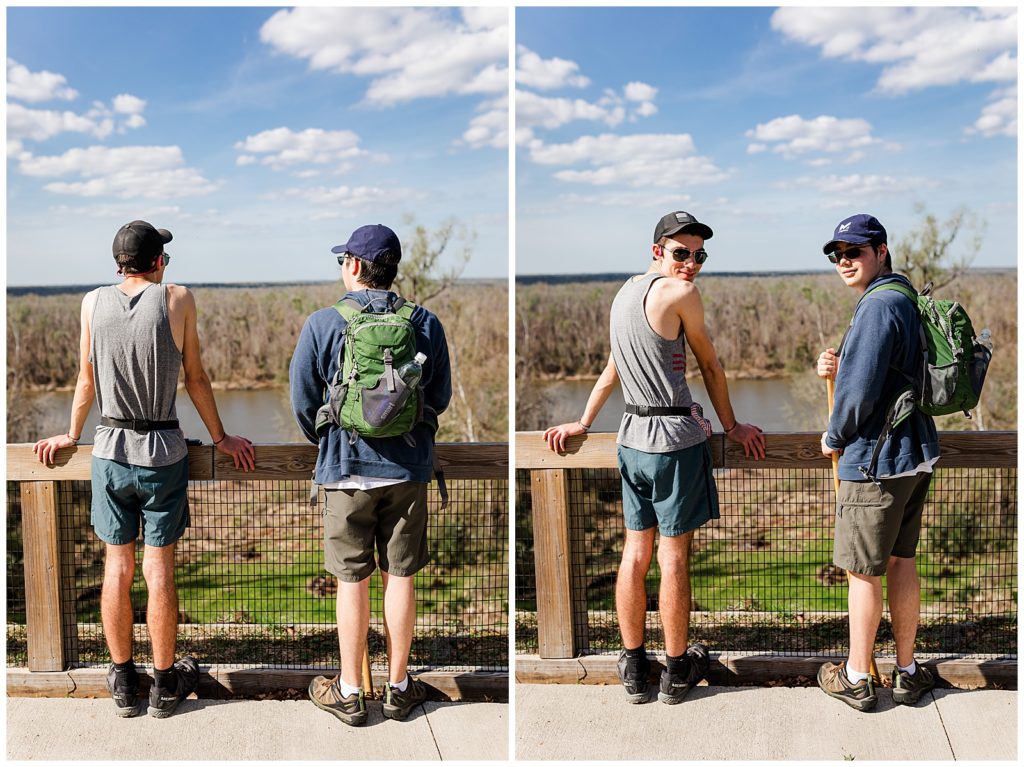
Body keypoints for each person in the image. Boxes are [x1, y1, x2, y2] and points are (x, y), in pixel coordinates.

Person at [33, 220, 256, 718]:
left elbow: (85, 378)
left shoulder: (91, 302)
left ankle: (121, 683)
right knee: (158, 570)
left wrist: (71, 436)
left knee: (118, 566)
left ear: (119, 263)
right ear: (158, 261)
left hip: (109, 450)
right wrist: (221, 438)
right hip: (163, 453)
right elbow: (195, 376)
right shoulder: (177, 298)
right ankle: (163, 684)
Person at [544, 211, 766, 704]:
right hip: (671, 443)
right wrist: (732, 426)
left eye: (699, 256)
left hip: (630, 438)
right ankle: (677, 669)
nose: (691, 264)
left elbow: (614, 366)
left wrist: (583, 422)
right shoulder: (679, 294)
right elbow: (709, 362)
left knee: (634, 552)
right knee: (672, 555)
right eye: (681, 253)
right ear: (658, 251)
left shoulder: (625, 293)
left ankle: (632, 664)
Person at [290, 224, 451, 726]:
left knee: (350, 581)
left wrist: (331, 437)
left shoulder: (322, 323)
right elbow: (439, 397)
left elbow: (302, 402)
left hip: (344, 470)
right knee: (400, 577)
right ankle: (399, 688)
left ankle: (351, 690)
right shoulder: (425, 323)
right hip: (407, 470)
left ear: (355, 267)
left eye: (344, 260)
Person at [815, 213, 940, 711]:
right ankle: (908, 673)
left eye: (855, 252)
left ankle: (857, 678)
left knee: (863, 572)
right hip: (916, 456)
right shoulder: (906, 298)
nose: (845, 261)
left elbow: (860, 395)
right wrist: (841, 365)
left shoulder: (876, 306)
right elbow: (885, 373)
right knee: (901, 562)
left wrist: (833, 435)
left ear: (881, 251)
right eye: (837, 255)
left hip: (875, 463)